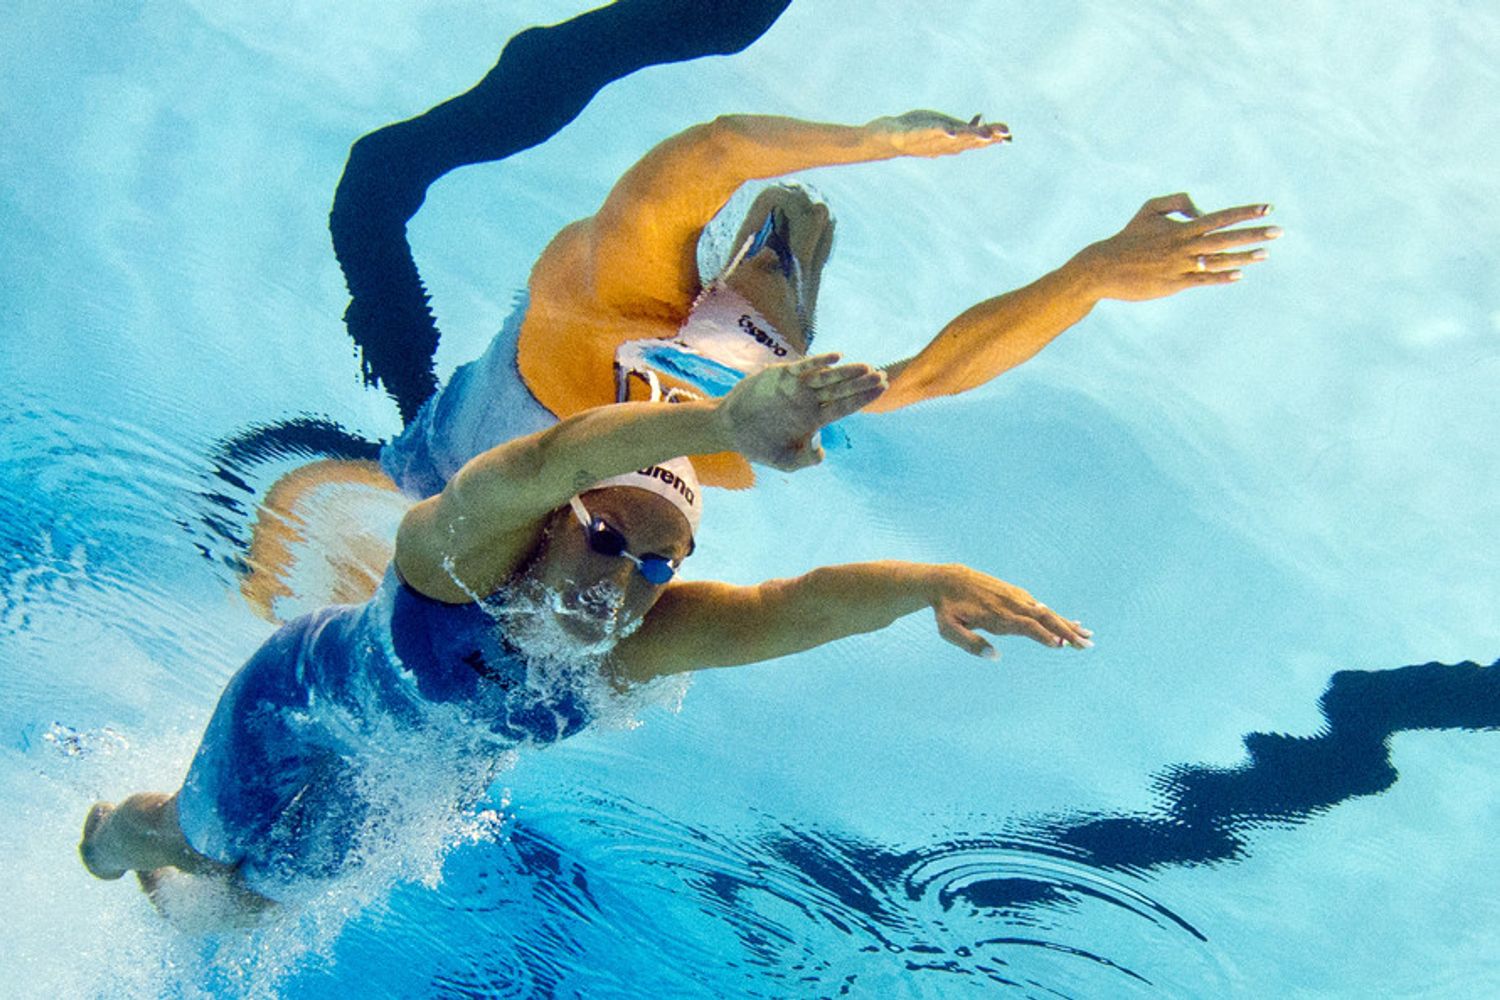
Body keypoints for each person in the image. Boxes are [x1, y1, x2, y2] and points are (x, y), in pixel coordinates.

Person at [235, 0, 1280, 618]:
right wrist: (1087, 272)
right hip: (457, 517)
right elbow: (929, 372)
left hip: (468, 518)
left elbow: (721, 154)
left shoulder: (612, 304)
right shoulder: (701, 401)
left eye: (778, 259)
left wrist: (887, 144)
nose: (786, 239)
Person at [80, 353, 1092, 913]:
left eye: (659, 563)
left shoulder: (635, 642)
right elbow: (543, 459)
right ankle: (114, 835)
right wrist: (715, 426)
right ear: (561, 520)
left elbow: (799, 606)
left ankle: (185, 905)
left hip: (409, 777)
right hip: (298, 707)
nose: (623, 580)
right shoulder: (459, 563)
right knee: (201, 839)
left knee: (269, 894)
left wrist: (935, 583)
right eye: (608, 539)